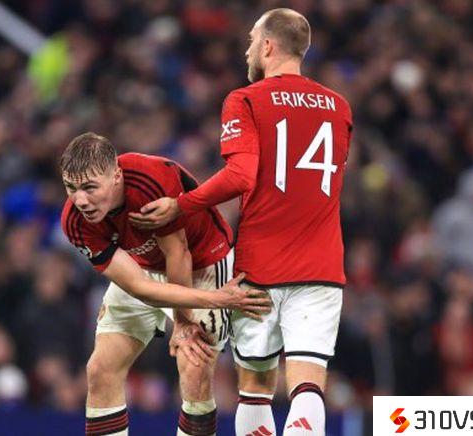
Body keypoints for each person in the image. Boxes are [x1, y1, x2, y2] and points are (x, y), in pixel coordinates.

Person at [130, 8, 352, 436]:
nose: (247, 49)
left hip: (260, 266)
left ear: (268, 46)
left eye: (251, 40)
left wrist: (182, 205)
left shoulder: (245, 99)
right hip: (322, 266)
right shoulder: (339, 107)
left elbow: (240, 175)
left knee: (255, 391)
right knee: (308, 385)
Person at [59, 132, 271, 436]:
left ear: (116, 176)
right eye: (71, 188)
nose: (81, 200)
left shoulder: (149, 181)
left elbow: (178, 253)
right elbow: (138, 287)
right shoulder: (74, 221)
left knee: (194, 367)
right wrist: (216, 300)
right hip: (143, 268)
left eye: (90, 187)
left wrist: (183, 321)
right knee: (100, 369)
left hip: (202, 260)